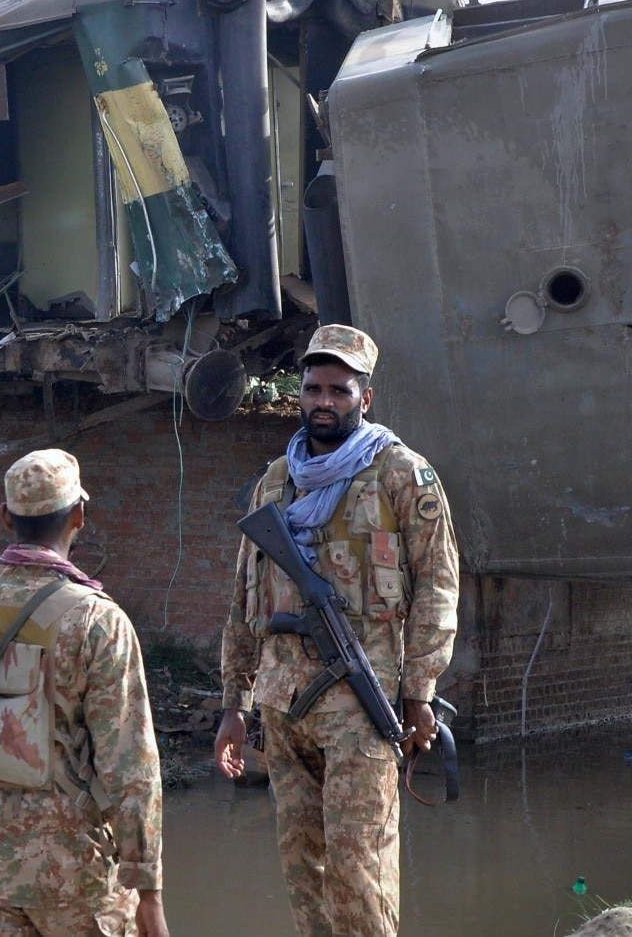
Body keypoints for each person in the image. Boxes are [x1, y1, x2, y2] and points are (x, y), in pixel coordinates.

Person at [214, 325, 459, 937]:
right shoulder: (278, 480)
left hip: (359, 704)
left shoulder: (402, 475)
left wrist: (421, 691)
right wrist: (233, 703)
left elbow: (438, 585)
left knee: (360, 870)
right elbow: (245, 599)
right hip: (283, 708)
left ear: (365, 397)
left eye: (340, 391)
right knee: (304, 870)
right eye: (314, 388)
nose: (324, 401)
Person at [0, 449, 168, 937]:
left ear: (5, 516)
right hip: (73, 871)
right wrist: (148, 891)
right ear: (79, 516)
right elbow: (131, 765)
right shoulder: (98, 621)